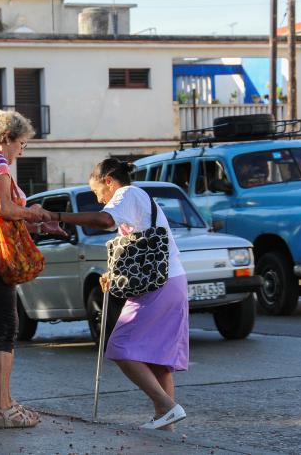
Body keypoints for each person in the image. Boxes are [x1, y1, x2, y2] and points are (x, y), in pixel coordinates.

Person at [46, 158, 189, 431]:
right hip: (172, 281)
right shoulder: (139, 201)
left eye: (98, 192)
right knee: (157, 358)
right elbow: (136, 248)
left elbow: (103, 220)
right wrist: (113, 274)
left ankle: (169, 407)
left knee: (120, 346)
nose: (99, 200)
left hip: (158, 287)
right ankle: (166, 421)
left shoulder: (128, 194)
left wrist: (57, 215)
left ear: (109, 181)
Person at [0, 110, 63, 429]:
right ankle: (1, 408)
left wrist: (41, 224)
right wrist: (34, 213)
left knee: (7, 324)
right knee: (6, 327)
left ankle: (2, 402)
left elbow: (2, 219)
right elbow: (3, 210)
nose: (22, 150)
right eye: (21, 143)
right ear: (6, 139)